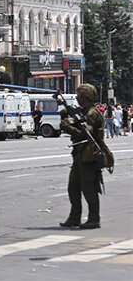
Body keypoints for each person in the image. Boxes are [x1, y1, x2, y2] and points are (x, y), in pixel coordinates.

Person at [59, 84, 112, 229]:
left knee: (89, 188)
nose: (77, 97)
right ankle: (74, 217)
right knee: (73, 187)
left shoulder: (92, 113)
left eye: (79, 95)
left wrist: (67, 126)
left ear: (86, 96)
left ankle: (94, 219)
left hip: (90, 155)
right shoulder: (84, 112)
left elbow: (83, 133)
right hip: (80, 154)